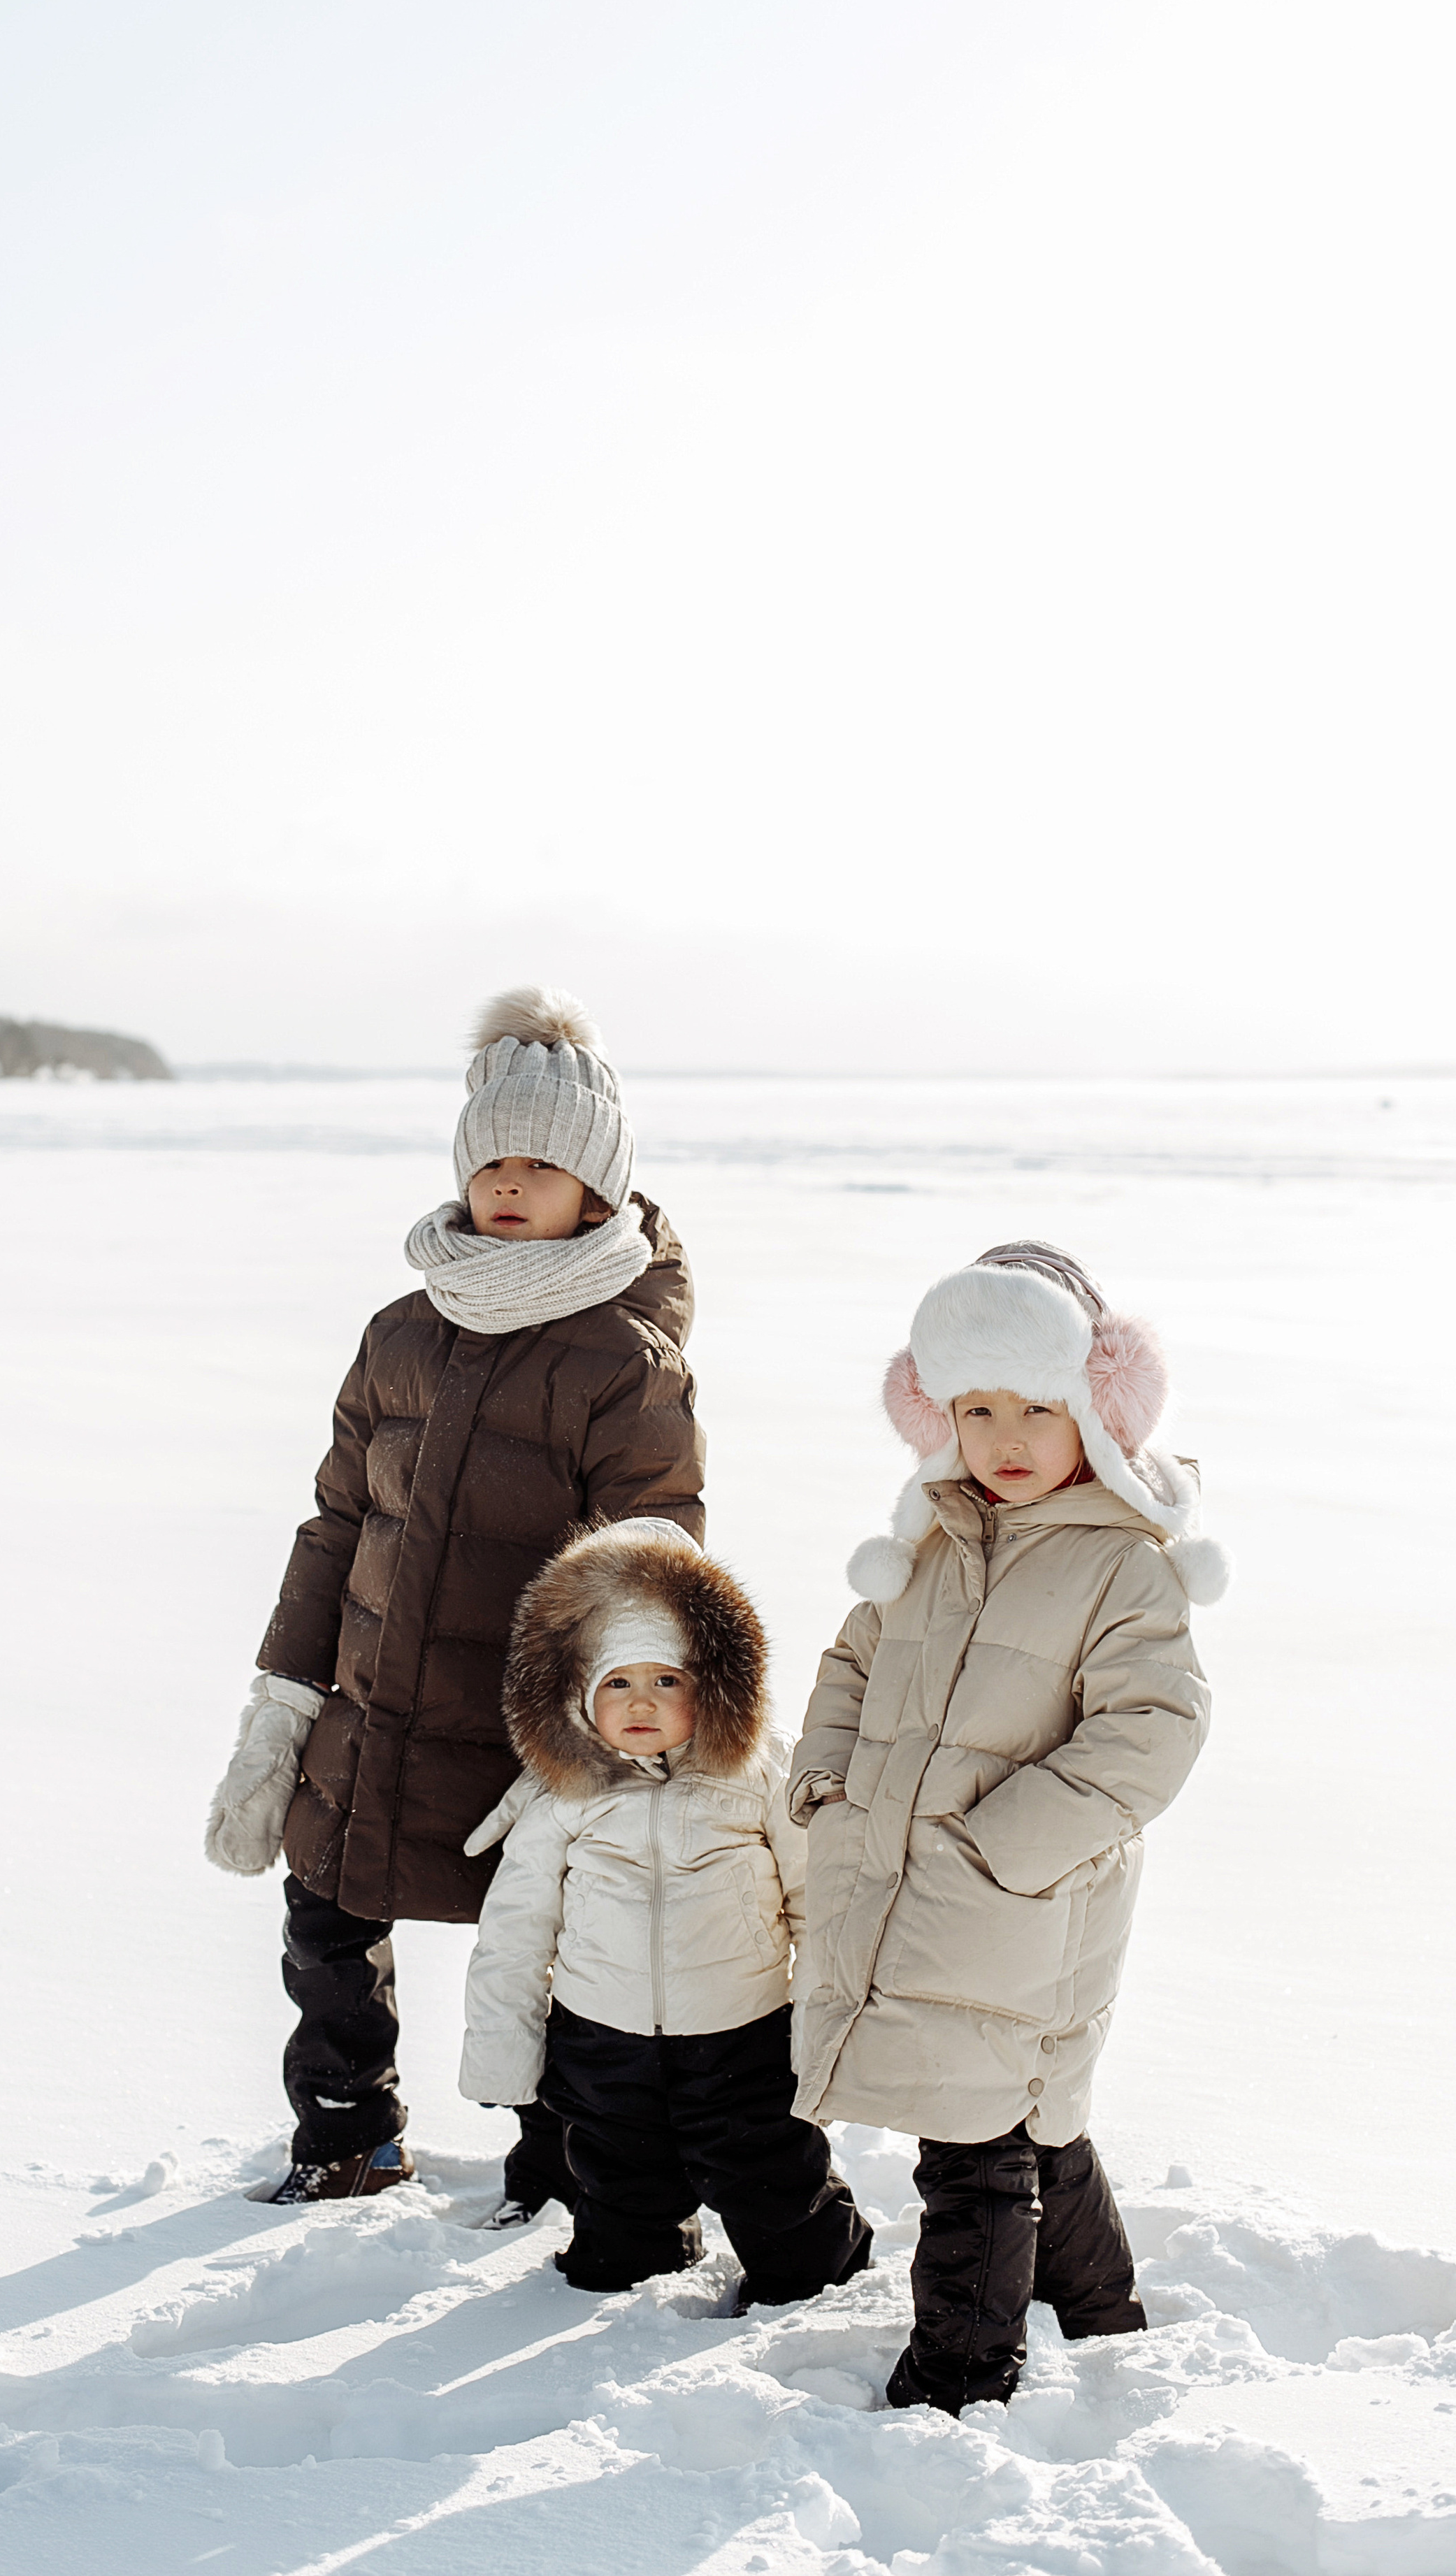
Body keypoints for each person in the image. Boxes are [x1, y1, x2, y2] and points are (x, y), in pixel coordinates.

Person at [204, 987, 705, 2210]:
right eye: (492, 1159)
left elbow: (651, 1557)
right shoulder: (400, 1334)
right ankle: (345, 2133)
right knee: (325, 1919)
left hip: (524, 1727)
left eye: (542, 1163)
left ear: (595, 1191)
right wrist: (287, 1693)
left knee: (536, 1951)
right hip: (372, 1710)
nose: (510, 1183)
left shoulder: (620, 1360)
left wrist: (600, 1738)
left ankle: (562, 2166)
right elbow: (336, 1523)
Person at [790, 1240, 1225, 2412]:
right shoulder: (931, 1541)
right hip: (906, 1885)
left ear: (1096, 1403)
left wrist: (1002, 1851)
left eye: (1037, 1406)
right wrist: (824, 1787)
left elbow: (1152, 1731)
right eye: (977, 1409)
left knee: (972, 2152)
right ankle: (1098, 2304)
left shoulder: (1125, 1569)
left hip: (1019, 1905)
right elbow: (852, 1663)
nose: (1007, 1438)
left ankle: (957, 2378)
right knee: (1032, 2117)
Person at [459, 1517, 873, 2306]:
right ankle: (636, 2262)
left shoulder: (757, 1773)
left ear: (712, 1684)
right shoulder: (564, 1795)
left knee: (775, 2181)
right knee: (618, 2190)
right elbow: (513, 1934)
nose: (640, 1702)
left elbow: (818, 1903)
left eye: (666, 1680)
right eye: (617, 1682)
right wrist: (501, 2053)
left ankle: (819, 2274)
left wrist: (824, 2020)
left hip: (741, 2035)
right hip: (602, 2041)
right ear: (579, 1692)